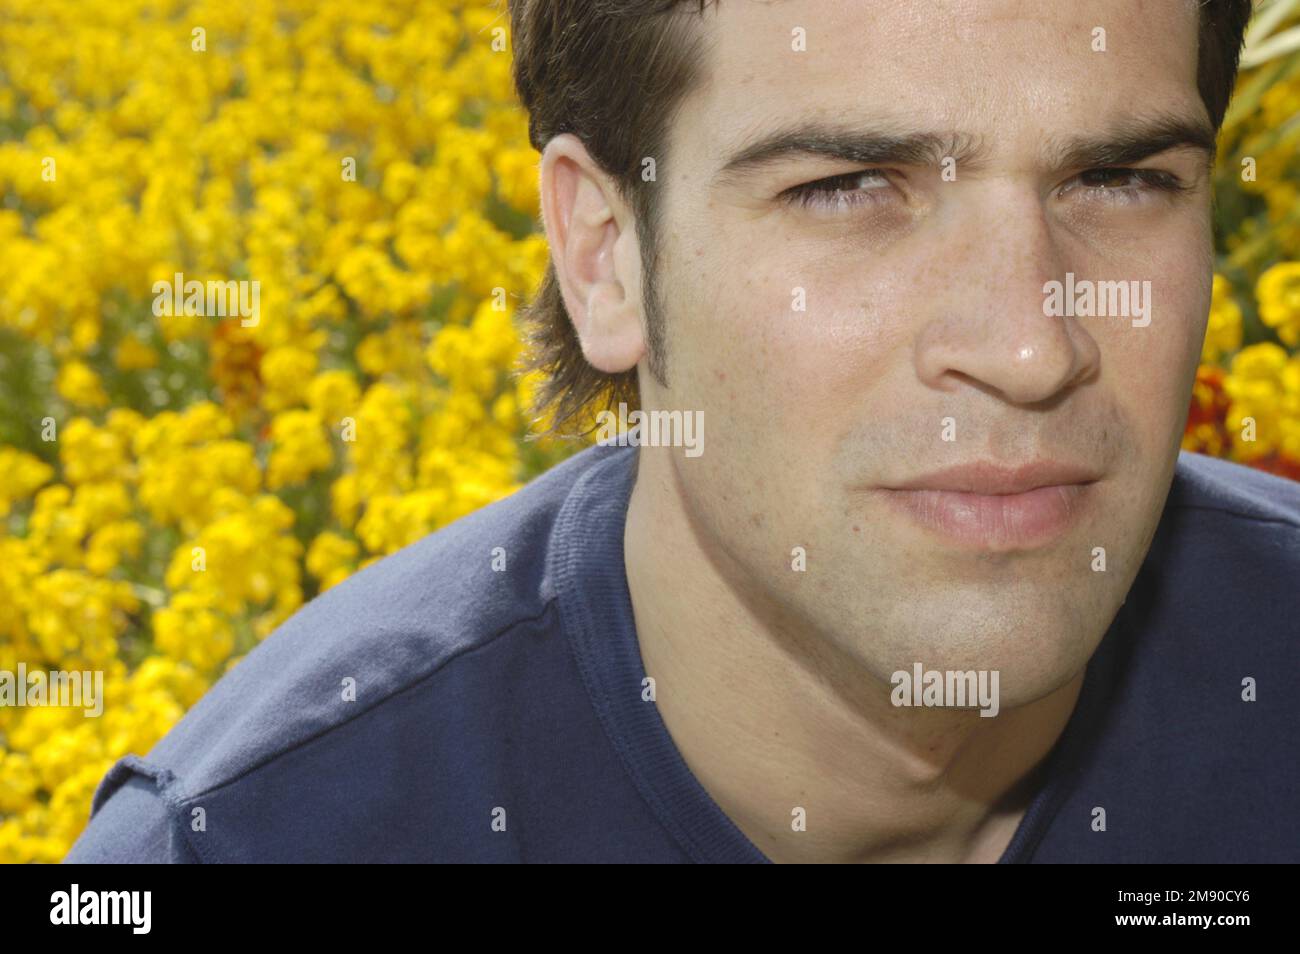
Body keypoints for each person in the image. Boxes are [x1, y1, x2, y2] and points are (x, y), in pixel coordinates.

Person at [66, 0, 1297, 864]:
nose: (1033, 345)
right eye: (845, 189)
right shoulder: (243, 847)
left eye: (1120, 179)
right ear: (601, 256)